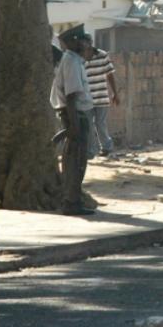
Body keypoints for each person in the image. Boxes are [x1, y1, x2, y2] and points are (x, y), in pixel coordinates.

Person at [52, 25, 96, 215]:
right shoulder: (70, 61)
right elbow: (71, 96)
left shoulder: (77, 61)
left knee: (78, 161)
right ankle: (71, 202)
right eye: (84, 40)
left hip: (79, 115)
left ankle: (74, 199)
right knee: (75, 161)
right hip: (75, 115)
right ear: (75, 42)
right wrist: (74, 125)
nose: (87, 44)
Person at [79, 33, 119, 157]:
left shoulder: (102, 55)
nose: (84, 46)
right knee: (89, 125)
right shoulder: (79, 59)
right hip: (86, 98)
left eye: (86, 43)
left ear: (90, 43)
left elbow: (110, 74)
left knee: (100, 123)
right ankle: (91, 150)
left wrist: (115, 93)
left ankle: (106, 147)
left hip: (101, 95)